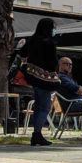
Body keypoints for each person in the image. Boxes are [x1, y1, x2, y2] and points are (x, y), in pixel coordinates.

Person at [20, 18, 60, 146]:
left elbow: (21, 52)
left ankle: (36, 134)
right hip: (45, 78)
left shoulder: (31, 40)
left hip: (33, 77)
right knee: (45, 106)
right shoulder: (49, 43)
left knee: (38, 105)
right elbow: (53, 62)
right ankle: (37, 134)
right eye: (53, 27)